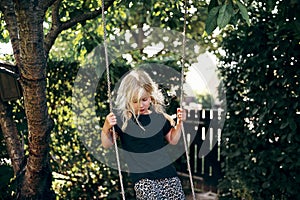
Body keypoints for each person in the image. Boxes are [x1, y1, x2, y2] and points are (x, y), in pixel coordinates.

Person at [101, 69, 186, 200]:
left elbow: (172, 140)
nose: (140, 105)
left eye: (144, 99)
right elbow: (106, 143)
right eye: (135, 101)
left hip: (168, 174)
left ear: (150, 96)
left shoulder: (158, 118)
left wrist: (179, 123)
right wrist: (106, 127)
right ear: (127, 99)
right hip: (143, 179)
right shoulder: (123, 120)